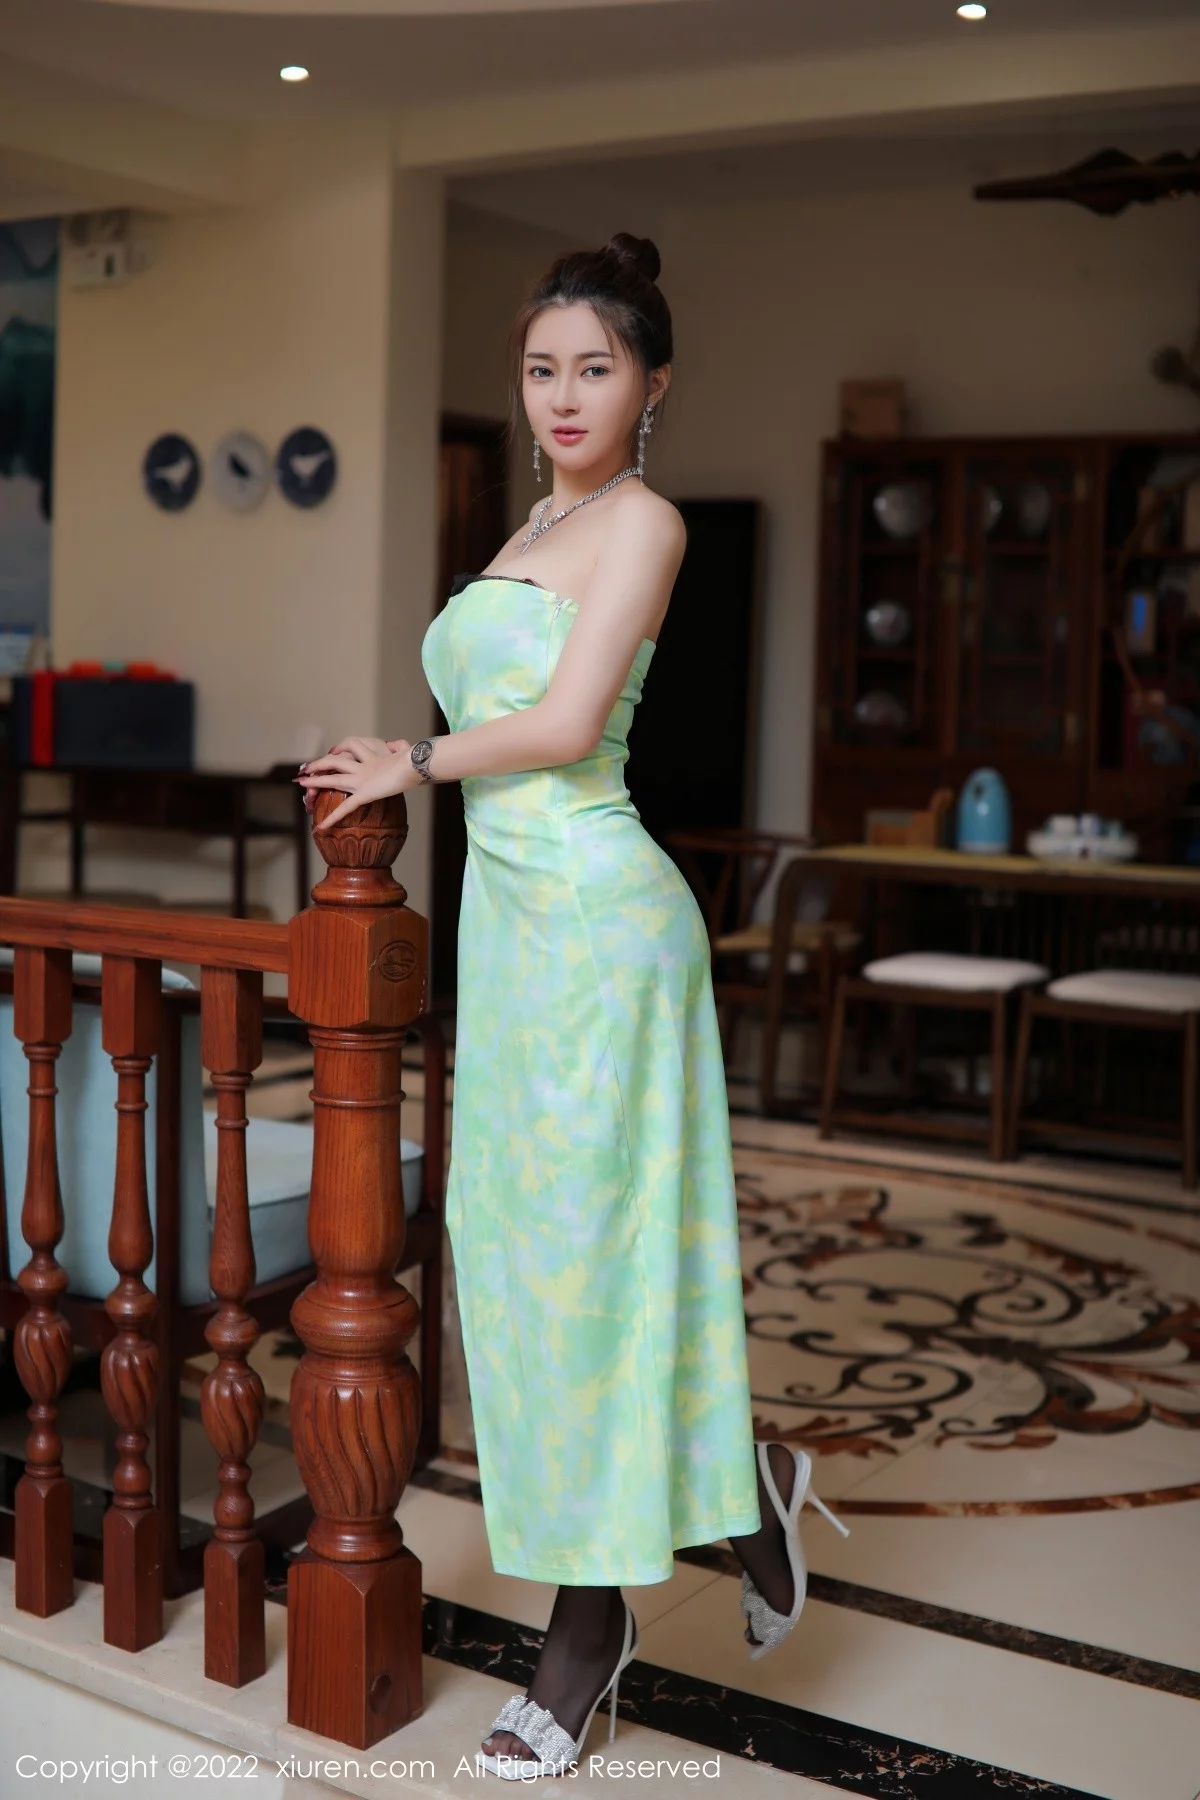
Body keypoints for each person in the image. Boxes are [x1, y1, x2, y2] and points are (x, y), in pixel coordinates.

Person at [297, 232, 845, 1781]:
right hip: (517, 935)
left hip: (604, 927)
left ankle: (583, 1636)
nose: (563, 394)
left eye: (594, 369)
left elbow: (565, 721)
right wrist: (400, 760)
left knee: (593, 1268)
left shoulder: (645, 524)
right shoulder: (532, 523)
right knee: (520, 1267)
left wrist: (411, 759)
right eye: (541, 368)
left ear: (652, 384)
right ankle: (742, 1496)